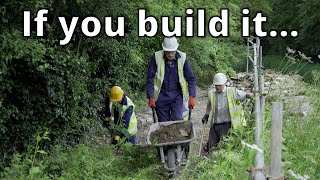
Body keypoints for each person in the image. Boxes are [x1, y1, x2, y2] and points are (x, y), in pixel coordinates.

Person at [146, 36, 196, 122]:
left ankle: (177, 136)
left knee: (177, 121)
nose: (170, 54)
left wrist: (192, 96)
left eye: (172, 51)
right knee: (163, 123)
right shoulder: (156, 57)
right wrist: (151, 96)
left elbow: (191, 79)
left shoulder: (183, 58)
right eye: (168, 52)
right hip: (161, 96)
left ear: (176, 48)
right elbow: (150, 78)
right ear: (164, 49)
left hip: (177, 96)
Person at [201, 73, 253, 151]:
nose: (218, 87)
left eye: (220, 85)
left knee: (224, 147)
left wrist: (253, 95)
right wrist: (206, 114)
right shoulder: (211, 93)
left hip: (227, 125)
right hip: (215, 124)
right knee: (211, 148)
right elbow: (209, 104)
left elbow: (245, 95)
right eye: (216, 85)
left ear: (224, 84)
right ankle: (208, 146)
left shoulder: (232, 92)